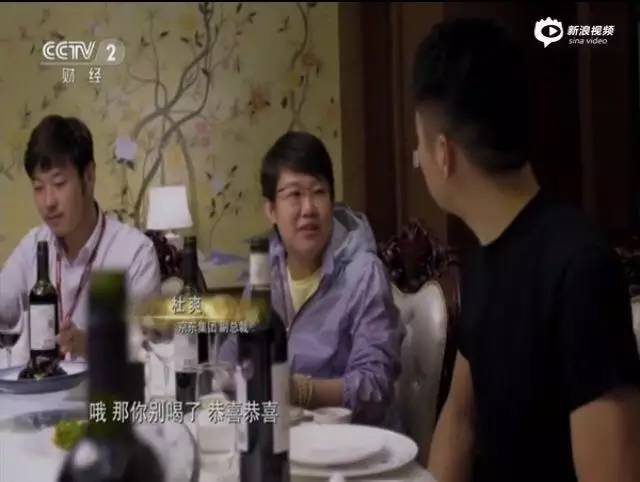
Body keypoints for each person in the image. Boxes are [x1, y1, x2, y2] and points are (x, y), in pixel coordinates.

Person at [413, 18, 640, 482]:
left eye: (419, 145)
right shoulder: (482, 257)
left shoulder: (580, 268)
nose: (416, 161)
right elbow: (461, 417)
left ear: (443, 153)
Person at [222, 131, 404, 427]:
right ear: (271, 210)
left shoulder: (364, 274)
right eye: (294, 195)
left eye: (318, 192)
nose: (308, 209)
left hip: (349, 440)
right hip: (282, 432)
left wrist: (299, 391)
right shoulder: (266, 271)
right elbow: (232, 350)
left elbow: (374, 386)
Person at [0, 115, 161, 358]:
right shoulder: (34, 246)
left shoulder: (135, 254)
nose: (48, 202)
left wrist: (92, 346)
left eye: (59, 183)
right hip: (41, 382)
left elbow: (150, 350)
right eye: (38, 187)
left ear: (89, 176)